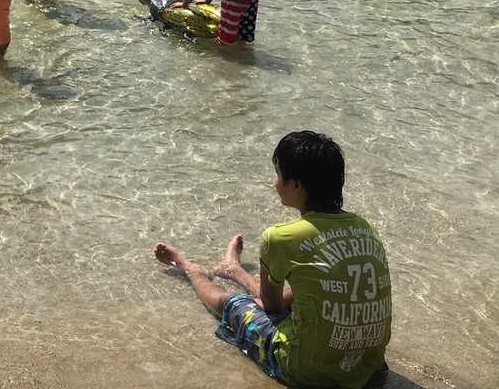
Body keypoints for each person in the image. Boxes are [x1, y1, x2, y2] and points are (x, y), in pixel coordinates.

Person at [152, 130, 391, 389]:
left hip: (307, 371)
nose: (275, 183)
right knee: (307, 290)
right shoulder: (365, 227)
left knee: (234, 303)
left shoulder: (280, 237)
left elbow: (272, 307)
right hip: (368, 368)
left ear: (296, 185)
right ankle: (234, 270)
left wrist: (256, 301)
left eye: (278, 174)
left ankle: (190, 268)